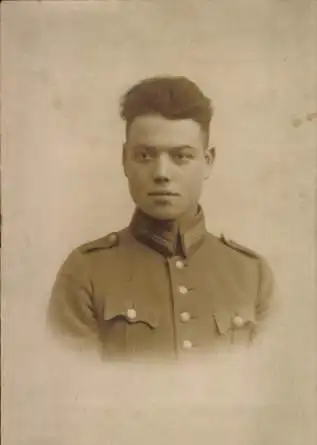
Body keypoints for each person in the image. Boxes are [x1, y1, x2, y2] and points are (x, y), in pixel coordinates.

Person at [47, 75, 275, 360]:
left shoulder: (252, 275)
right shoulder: (86, 271)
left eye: (181, 156)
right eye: (144, 156)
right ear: (124, 159)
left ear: (208, 162)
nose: (161, 173)